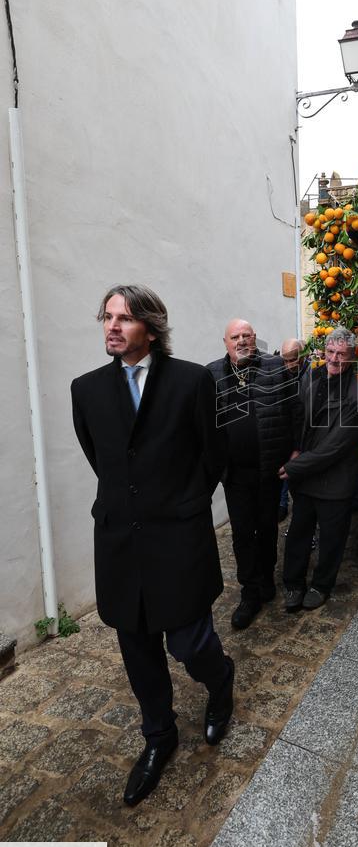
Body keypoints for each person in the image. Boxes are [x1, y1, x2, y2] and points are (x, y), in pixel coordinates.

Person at [71, 285, 232, 807]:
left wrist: (184, 507)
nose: (112, 327)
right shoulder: (86, 389)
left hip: (179, 539)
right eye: (107, 317)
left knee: (188, 643)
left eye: (124, 319)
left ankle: (221, 681)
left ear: (152, 327)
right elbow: (104, 461)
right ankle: (159, 737)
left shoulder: (191, 380)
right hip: (120, 542)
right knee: (138, 651)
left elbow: (212, 457)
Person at [207, 320, 301, 630]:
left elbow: (295, 410)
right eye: (235, 337)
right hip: (235, 474)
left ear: (255, 338)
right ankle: (249, 593)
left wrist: (296, 450)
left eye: (247, 335)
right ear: (226, 342)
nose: (242, 341)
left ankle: (265, 578)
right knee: (243, 534)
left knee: (267, 527)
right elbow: (204, 423)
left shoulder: (276, 367)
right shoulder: (212, 374)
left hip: (269, 469)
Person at [281, 327, 358, 611]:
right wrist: (295, 446)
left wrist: (295, 466)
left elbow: (334, 448)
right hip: (306, 478)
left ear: (352, 356)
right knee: (298, 534)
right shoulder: (313, 378)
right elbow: (299, 418)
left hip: (334, 482)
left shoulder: (357, 396)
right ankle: (293, 585)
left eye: (341, 354)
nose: (334, 358)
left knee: (331, 541)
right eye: (330, 352)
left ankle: (321, 585)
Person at [278, 338, 308, 521]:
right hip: (287, 437)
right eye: (285, 360)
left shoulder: (313, 375)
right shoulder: (282, 375)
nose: (288, 365)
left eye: (293, 359)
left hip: (305, 440)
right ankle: (283, 504)